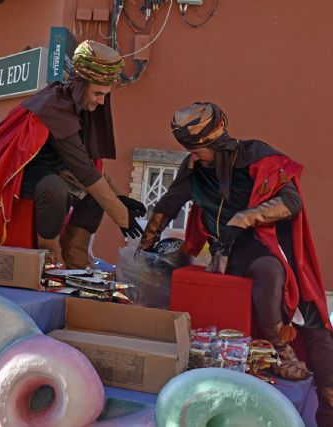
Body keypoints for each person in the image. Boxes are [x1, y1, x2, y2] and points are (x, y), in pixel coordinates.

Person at [139, 102, 333, 426]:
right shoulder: (195, 171)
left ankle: (308, 382)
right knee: (255, 272)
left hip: (272, 251)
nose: (194, 155)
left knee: (311, 319)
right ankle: (272, 349)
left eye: (198, 148)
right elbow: (168, 204)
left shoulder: (257, 156)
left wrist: (244, 218)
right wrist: (146, 246)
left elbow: (291, 202)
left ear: (215, 142)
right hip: (225, 256)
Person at [0, 40, 145, 268]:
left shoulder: (82, 107)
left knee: (95, 196)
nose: (101, 101)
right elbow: (85, 172)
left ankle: (75, 255)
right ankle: (49, 254)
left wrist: (120, 199)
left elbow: (89, 167)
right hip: (26, 177)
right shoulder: (55, 108)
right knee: (55, 189)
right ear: (80, 85)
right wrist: (122, 218)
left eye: (105, 95)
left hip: (62, 172)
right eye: (98, 93)